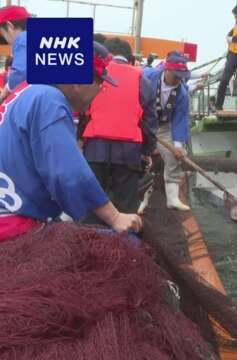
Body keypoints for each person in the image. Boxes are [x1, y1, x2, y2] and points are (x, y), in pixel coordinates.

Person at [0, 42, 142, 242]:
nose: (101, 90)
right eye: (100, 83)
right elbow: (68, 174)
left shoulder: (28, 89)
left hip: (14, 211)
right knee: (130, 244)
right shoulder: (49, 99)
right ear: (78, 81)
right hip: (13, 225)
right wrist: (115, 217)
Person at [82, 37, 157, 224]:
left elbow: (83, 113)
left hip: (94, 150)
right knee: (125, 209)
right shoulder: (142, 80)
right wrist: (147, 152)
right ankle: (125, 249)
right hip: (128, 154)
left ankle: (90, 244)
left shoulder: (94, 73)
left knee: (93, 206)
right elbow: (149, 123)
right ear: (130, 58)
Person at [143, 51, 191, 211]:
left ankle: (172, 198)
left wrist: (178, 146)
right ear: (167, 70)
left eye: (181, 76)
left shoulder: (182, 94)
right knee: (138, 156)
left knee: (173, 157)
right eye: (176, 75)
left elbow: (179, 121)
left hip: (163, 127)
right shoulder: (148, 76)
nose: (179, 79)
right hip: (142, 123)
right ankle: (139, 199)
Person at [0, 5, 30, 102]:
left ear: (9, 26)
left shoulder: (22, 39)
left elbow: (20, 72)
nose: (6, 41)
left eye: (2, 34)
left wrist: (5, 92)